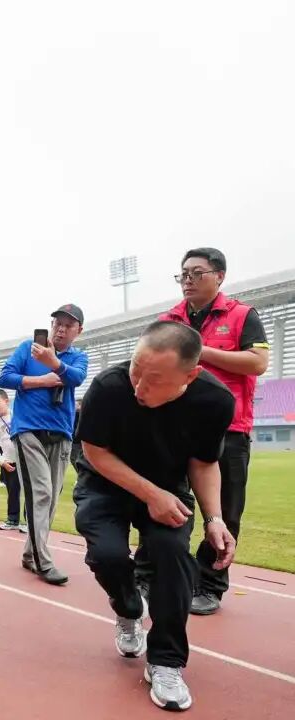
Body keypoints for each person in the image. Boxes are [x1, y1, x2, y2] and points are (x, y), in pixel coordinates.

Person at [74, 321, 237, 712]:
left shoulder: (213, 401)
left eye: (154, 380)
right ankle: (129, 608)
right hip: (106, 482)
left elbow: (203, 462)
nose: (139, 388)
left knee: (172, 557)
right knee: (109, 556)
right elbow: (95, 452)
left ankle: (166, 661)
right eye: (136, 370)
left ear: (190, 375)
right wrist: (149, 493)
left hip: (168, 484)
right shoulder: (109, 387)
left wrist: (215, 518)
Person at [136, 248, 269, 617]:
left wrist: (199, 351)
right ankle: (145, 574)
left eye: (196, 273)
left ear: (219, 276)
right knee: (166, 502)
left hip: (229, 428)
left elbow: (258, 362)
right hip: (173, 428)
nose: (188, 280)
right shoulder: (170, 319)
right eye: (183, 274)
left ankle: (209, 584)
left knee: (224, 510)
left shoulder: (242, 315)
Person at [0, 304, 88, 586]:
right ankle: (42, 560)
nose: (61, 329)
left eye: (68, 325)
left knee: (49, 500)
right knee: (41, 493)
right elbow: (4, 377)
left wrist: (55, 363)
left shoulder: (78, 357)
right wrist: (41, 379)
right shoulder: (28, 348)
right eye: (57, 323)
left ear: (78, 331)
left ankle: (30, 552)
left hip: (60, 434)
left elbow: (77, 378)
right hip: (28, 431)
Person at [0, 389, 26, 532]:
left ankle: (30, 522)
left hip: (25, 461)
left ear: (6, 401)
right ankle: (12, 520)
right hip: (9, 463)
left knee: (29, 493)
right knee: (12, 493)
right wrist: (2, 462)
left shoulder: (19, 416)